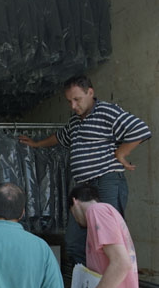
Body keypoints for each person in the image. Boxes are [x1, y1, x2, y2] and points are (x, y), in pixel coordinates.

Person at [19, 75, 151, 264]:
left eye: (77, 99)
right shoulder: (75, 120)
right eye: (69, 101)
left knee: (110, 240)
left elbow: (140, 129)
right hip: (83, 189)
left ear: (90, 92)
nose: (73, 105)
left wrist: (121, 154)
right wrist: (36, 144)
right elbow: (61, 137)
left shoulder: (107, 111)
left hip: (106, 182)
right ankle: (88, 280)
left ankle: (113, 280)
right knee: (74, 242)